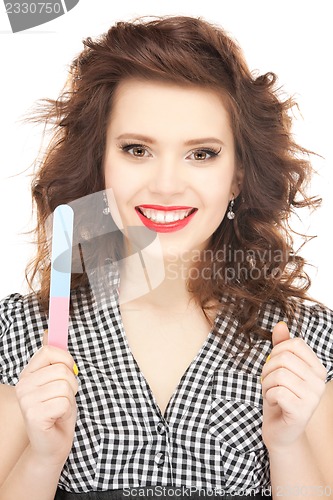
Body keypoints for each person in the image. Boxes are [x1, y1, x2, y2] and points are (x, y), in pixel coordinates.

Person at [0, 15, 332, 500]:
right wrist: (43, 456)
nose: (167, 185)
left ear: (238, 175)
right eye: (137, 149)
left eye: (202, 154)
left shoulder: (304, 344)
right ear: (101, 163)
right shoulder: (28, 332)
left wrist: (285, 444)